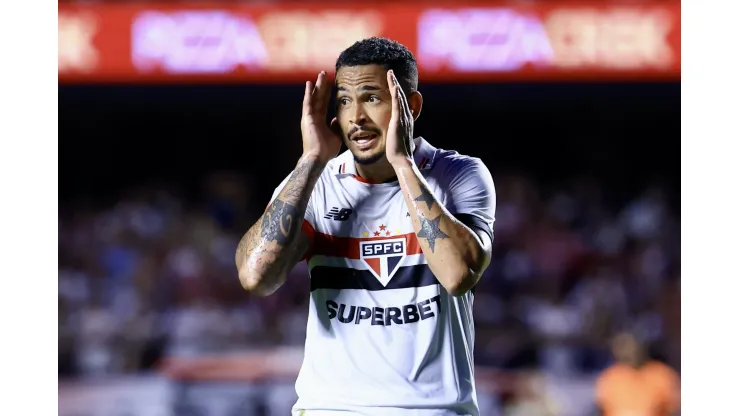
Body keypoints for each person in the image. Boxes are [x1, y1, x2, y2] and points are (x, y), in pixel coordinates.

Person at [235, 37, 496, 416]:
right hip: (331, 409)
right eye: (343, 101)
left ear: (412, 106)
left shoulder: (458, 174)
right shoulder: (316, 184)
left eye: (371, 97)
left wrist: (402, 163)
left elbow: (458, 275)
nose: (356, 117)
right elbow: (256, 276)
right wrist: (310, 160)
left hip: (434, 410)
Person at [595, 332, 680, 416]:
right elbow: (602, 407)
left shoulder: (662, 375)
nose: (628, 353)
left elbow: (673, 407)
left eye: (631, 347)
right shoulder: (610, 377)